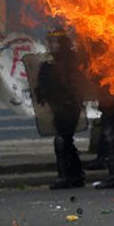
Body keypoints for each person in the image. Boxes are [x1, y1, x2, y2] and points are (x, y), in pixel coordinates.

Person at [36, 29, 85, 189]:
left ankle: (67, 176)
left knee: (62, 140)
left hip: (70, 106)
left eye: (55, 42)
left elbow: (76, 84)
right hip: (58, 106)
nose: (52, 45)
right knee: (65, 140)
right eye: (50, 42)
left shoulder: (71, 62)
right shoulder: (49, 63)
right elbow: (42, 86)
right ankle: (74, 175)